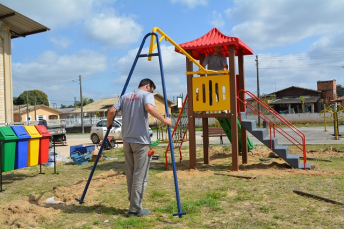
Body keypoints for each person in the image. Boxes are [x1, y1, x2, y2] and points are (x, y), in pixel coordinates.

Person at [106, 78, 172, 217]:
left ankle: (133, 203)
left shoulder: (125, 96)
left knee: (130, 174)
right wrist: (165, 120)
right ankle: (135, 209)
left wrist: (108, 125)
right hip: (141, 142)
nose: (152, 93)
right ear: (148, 86)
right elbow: (149, 107)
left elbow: (111, 111)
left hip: (127, 141)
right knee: (140, 176)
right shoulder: (147, 95)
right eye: (152, 90)